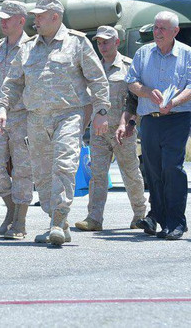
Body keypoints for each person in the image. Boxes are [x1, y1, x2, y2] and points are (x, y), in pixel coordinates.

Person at [0, 0, 110, 246]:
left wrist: (101, 112)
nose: (35, 19)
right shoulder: (28, 48)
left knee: (64, 165)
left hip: (68, 114)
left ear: (55, 17)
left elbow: (98, 80)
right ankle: (59, 222)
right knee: (43, 174)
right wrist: (2, 108)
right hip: (35, 118)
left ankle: (58, 219)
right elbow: (13, 83)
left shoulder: (77, 43)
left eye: (40, 15)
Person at [127, 11, 191, 240]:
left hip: (177, 118)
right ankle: (157, 217)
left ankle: (177, 222)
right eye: (155, 28)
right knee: (153, 170)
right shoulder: (143, 53)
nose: (157, 32)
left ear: (175, 32)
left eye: (162, 28)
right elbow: (132, 82)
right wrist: (147, 92)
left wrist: (174, 102)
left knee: (172, 168)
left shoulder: (187, 54)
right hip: (150, 119)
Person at [75, 25, 147, 232]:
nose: (102, 46)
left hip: (122, 130)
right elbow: (87, 101)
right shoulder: (92, 68)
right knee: (97, 175)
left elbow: (135, 100)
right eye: (99, 42)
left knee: (130, 173)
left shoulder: (128, 66)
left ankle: (139, 214)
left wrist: (131, 123)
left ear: (117, 42)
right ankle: (94, 217)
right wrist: (82, 128)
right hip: (99, 133)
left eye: (106, 42)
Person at [0, 0, 34, 239]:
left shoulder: (33, 48)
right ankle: (11, 207)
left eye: (7, 19)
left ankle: (20, 222)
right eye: (0, 18)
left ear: (21, 21)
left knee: (23, 169)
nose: (2, 22)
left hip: (23, 116)